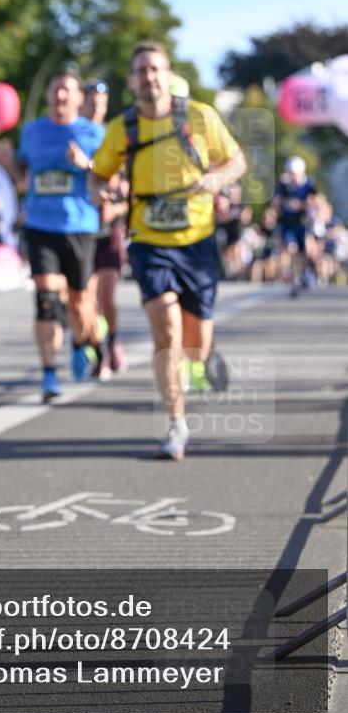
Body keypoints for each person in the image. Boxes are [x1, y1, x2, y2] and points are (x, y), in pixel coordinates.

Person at [91, 41, 246, 460]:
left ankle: (204, 356)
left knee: (194, 344)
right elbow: (97, 175)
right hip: (148, 243)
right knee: (167, 333)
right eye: (140, 70)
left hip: (196, 242)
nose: (149, 77)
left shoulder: (199, 116)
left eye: (155, 69)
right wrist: (102, 192)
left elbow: (236, 162)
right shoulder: (123, 127)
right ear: (131, 80)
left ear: (167, 73)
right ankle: (176, 424)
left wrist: (216, 180)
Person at [17, 68, 106, 400]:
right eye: (55, 90)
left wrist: (86, 164)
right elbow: (23, 171)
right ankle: (49, 373)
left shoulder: (94, 134)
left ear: (79, 98)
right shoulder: (31, 132)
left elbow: (110, 176)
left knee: (81, 304)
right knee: (46, 300)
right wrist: (14, 172)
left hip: (80, 227)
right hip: (40, 225)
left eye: (67, 91)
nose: (60, 97)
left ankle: (83, 341)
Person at [80, 79, 126, 378]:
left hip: (109, 231)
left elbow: (127, 190)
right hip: (80, 231)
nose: (98, 107)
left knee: (106, 298)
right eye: (92, 101)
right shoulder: (70, 134)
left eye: (103, 102)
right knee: (87, 301)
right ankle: (97, 352)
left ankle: (112, 341)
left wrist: (116, 208)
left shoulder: (114, 136)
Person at [272, 156, 316, 296]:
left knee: (303, 253)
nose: (293, 177)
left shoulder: (309, 184)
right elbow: (275, 202)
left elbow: (315, 201)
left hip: (302, 223)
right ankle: (291, 279)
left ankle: (303, 274)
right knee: (289, 249)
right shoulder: (283, 184)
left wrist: (301, 205)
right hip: (287, 223)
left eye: (295, 174)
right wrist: (279, 205)